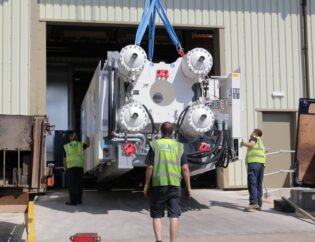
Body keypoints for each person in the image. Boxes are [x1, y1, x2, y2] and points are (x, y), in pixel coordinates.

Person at [143, 122, 191, 242]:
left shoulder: (155, 145)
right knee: (174, 215)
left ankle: (159, 240)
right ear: (172, 132)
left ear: (161, 132)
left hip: (159, 185)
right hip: (175, 185)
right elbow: (185, 168)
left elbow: (150, 167)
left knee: (156, 215)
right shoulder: (179, 146)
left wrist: (146, 185)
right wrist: (188, 187)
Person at [241, 128, 266, 211]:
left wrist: (243, 143)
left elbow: (251, 145)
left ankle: (253, 203)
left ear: (255, 132)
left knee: (252, 183)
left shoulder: (254, 138)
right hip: (261, 164)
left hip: (254, 163)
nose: (251, 133)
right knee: (258, 184)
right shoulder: (260, 142)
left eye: (252, 131)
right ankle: (259, 204)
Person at [63, 132, 90, 206]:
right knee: (79, 185)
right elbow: (88, 144)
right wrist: (88, 137)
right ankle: (79, 200)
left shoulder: (67, 146)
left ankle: (73, 201)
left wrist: (65, 168)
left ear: (70, 138)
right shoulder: (80, 145)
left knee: (72, 186)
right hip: (79, 168)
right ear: (77, 138)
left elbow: (64, 159)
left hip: (71, 168)